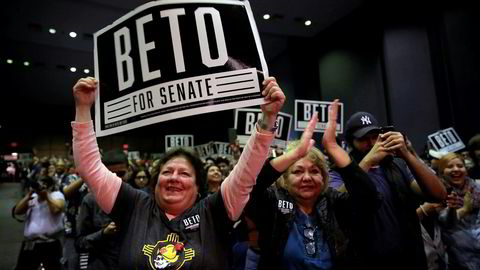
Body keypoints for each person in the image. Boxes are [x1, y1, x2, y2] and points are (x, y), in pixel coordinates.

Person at [71, 76, 284, 269]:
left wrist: (268, 118)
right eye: (167, 172)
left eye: (184, 173)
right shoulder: (133, 205)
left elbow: (247, 171)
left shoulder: (214, 210)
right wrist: (83, 107)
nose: (174, 177)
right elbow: (90, 168)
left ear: (198, 185)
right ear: (155, 181)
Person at [245, 100, 380, 269]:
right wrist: (293, 155)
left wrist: (333, 148)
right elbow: (248, 187)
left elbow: (370, 199)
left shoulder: (334, 202)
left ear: (324, 178)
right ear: (285, 179)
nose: (307, 177)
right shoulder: (273, 203)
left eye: (315, 171)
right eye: (298, 171)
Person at [328, 111, 447, 269]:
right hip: (368, 261)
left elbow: (438, 194)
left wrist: (406, 154)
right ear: (351, 142)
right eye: (363, 139)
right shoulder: (337, 173)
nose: (372, 144)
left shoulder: (397, 165)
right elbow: (337, 200)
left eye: (375, 137)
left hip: (411, 258)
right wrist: (369, 160)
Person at [435, 153, 480, 270]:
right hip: (462, 256)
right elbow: (445, 221)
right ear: (441, 172)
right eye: (450, 166)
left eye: (460, 166)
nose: (456, 169)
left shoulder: (477, 187)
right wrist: (463, 210)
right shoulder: (439, 193)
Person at [13, 176, 66, 270]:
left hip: (49, 244)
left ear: (50, 187)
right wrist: (28, 196)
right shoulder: (33, 197)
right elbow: (17, 211)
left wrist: (47, 197)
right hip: (31, 243)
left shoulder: (57, 195)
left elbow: (56, 209)